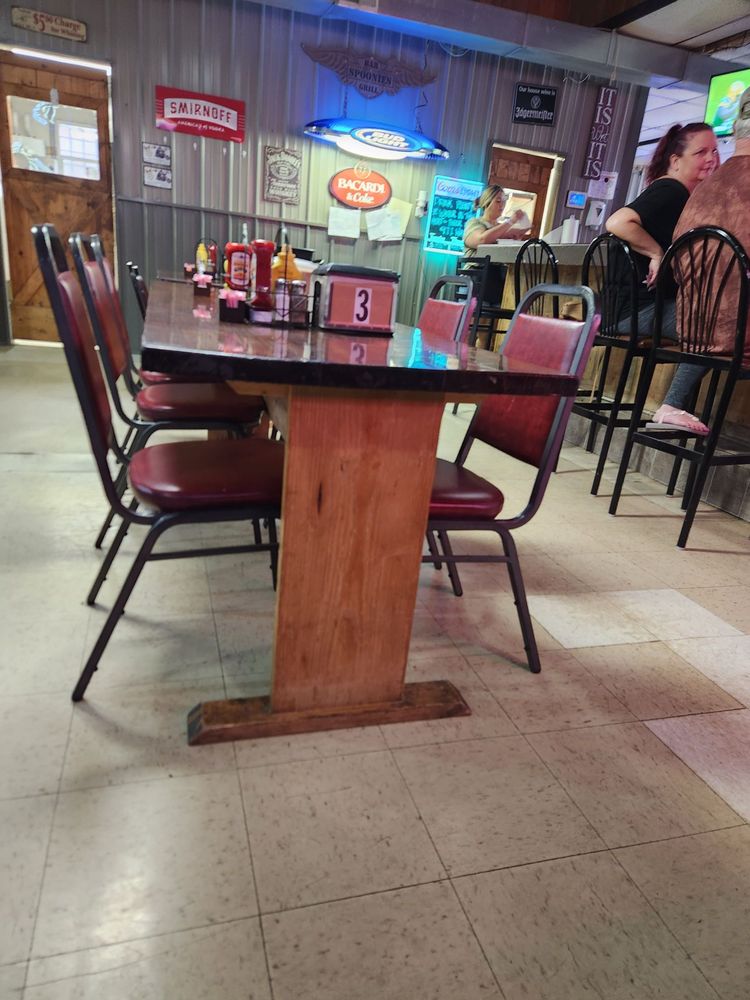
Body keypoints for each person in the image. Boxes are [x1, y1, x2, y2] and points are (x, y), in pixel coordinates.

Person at [605, 122, 719, 432]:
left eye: (714, 151)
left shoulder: (680, 194)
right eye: (701, 152)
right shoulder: (671, 190)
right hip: (632, 312)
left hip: (624, 309)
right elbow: (617, 221)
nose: (711, 158)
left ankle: (674, 406)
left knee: (710, 319)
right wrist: (657, 252)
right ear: (676, 160)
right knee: (714, 325)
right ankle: (671, 406)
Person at [463, 184, 532, 256]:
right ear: (487, 203)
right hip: (478, 263)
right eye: (498, 201)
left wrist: (514, 239)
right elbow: (481, 240)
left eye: (504, 201)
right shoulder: (474, 223)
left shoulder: (502, 227)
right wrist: (510, 221)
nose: (502, 205)